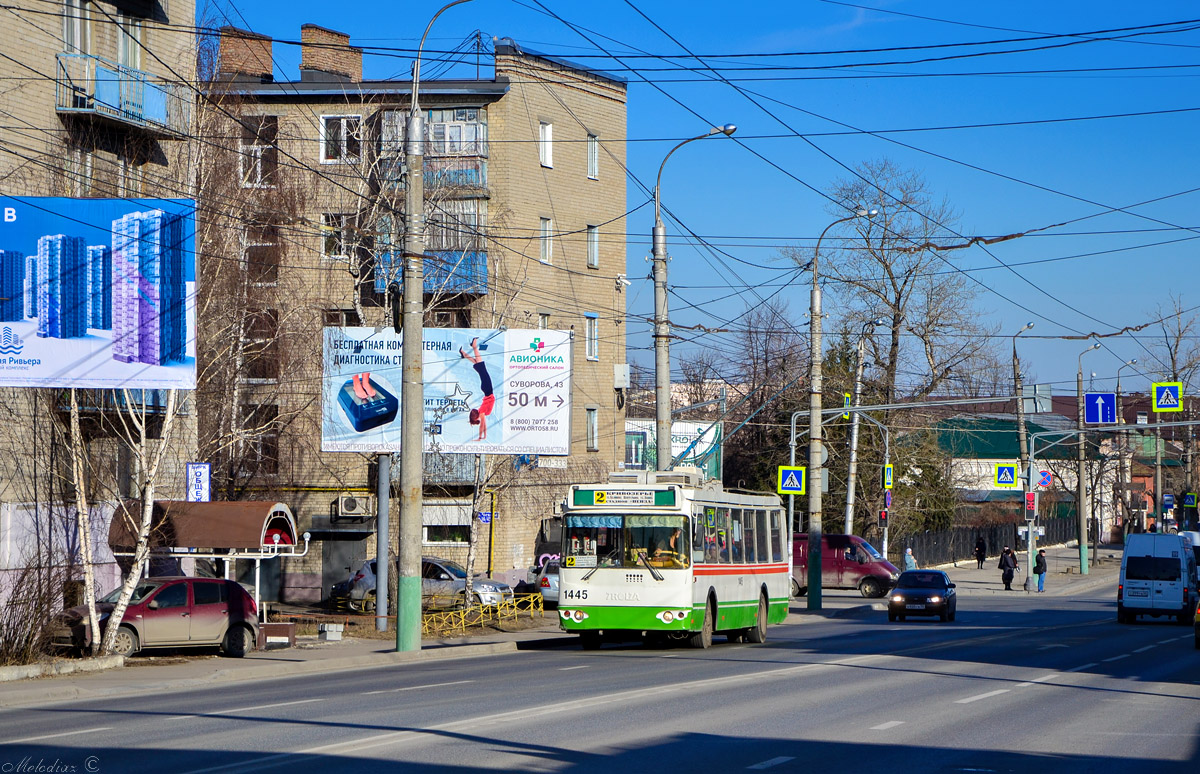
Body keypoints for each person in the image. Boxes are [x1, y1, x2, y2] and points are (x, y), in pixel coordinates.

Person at [459, 337, 495, 441]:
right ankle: (463, 353)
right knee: (479, 366)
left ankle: (474, 346)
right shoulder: (481, 411)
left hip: (488, 390)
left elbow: (482, 425)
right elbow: (484, 425)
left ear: (476, 417)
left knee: (481, 366)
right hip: (487, 390)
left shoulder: (482, 412)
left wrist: (481, 437)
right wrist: (484, 436)